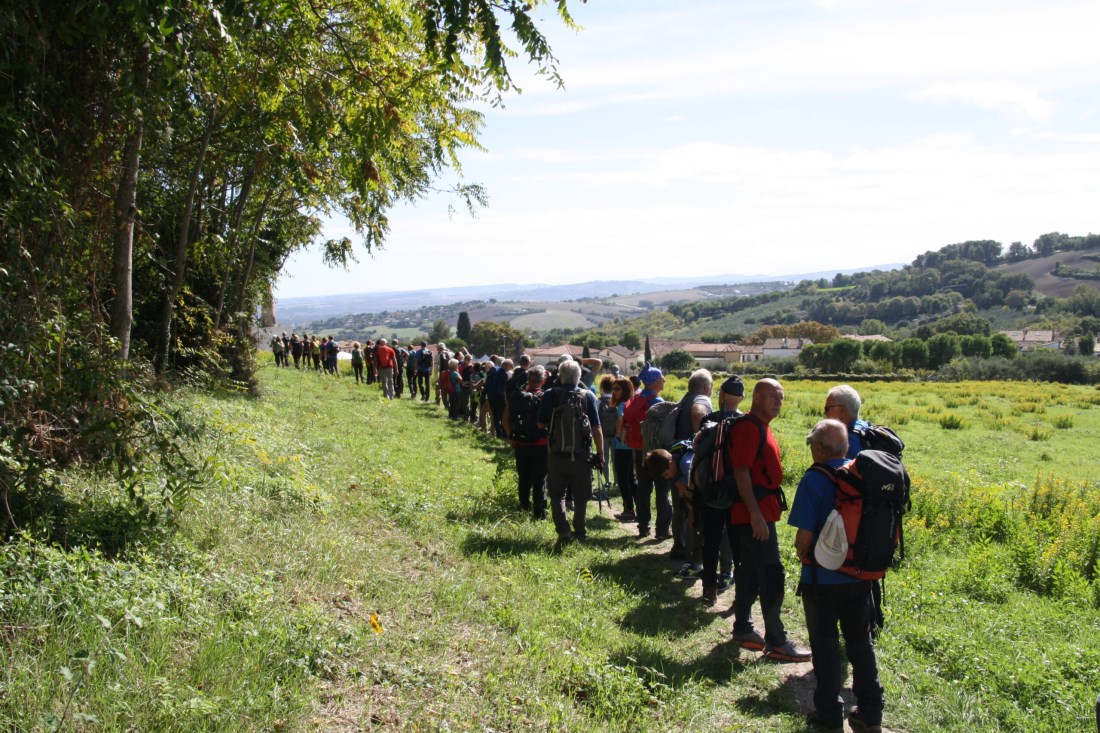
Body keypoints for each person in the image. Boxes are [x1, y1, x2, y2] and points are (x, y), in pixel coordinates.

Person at [790, 419, 884, 733]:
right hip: (860, 576)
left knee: (825, 644)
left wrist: (803, 555)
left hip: (822, 580)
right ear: (844, 447)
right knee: (860, 642)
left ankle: (829, 714)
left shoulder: (814, 478)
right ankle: (871, 713)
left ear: (818, 448)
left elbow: (804, 536)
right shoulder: (862, 475)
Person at [729, 378, 811, 663]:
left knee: (751, 570)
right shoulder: (749, 428)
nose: (778, 401)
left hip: (759, 513)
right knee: (772, 573)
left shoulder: (761, 427)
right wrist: (756, 516)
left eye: (781, 397)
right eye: (773, 396)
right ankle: (777, 641)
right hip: (754, 515)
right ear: (757, 398)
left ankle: (742, 628)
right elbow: (741, 472)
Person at [537, 360, 603, 544]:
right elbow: (597, 428)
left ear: (560, 375)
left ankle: (563, 530)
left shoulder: (550, 394)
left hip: (556, 453)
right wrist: (601, 455)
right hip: (582, 453)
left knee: (557, 494)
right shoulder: (587, 396)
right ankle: (580, 530)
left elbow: (540, 424)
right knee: (581, 496)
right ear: (579, 376)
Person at [698, 375, 744, 605]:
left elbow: (698, 455)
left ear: (722, 395)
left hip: (711, 490)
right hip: (738, 493)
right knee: (738, 545)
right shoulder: (747, 423)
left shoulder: (708, 420)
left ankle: (709, 590)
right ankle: (740, 596)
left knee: (711, 541)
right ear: (742, 398)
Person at [669, 369, 714, 565]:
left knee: (679, 507)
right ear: (705, 387)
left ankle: (679, 546)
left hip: (676, 458)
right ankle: (693, 553)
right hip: (690, 461)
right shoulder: (702, 399)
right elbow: (698, 413)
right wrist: (701, 442)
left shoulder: (684, 399)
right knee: (692, 507)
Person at [621, 364, 671, 540]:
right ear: (654, 382)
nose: (664, 379)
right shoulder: (657, 402)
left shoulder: (637, 398)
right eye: (661, 377)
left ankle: (643, 527)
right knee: (662, 491)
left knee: (643, 490)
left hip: (639, 450)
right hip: (657, 453)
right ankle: (662, 530)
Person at [504, 364, 549, 519]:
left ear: (528, 379)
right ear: (543, 381)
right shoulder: (544, 398)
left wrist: (512, 437)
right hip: (541, 445)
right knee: (539, 480)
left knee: (524, 479)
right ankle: (539, 513)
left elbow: (505, 419)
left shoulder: (517, 396)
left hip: (521, 444)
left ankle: (523, 507)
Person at [610, 376, 638, 523]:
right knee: (630, 479)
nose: (614, 392)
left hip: (623, 446)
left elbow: (621, 422)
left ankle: (629, 510)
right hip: (632, 446)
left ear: (625, 390)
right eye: (613, 389)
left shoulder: (622, 405)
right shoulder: (631, 402)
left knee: (623, 479)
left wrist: (617, 434)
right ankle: (638, 509)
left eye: (617, 389)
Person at [484, 358, 512, 439]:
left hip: (490, 395)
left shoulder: (493, 370)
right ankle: (503, 434)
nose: (510, 368)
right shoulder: (504, 374)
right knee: (502, 415)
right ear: (506, 365)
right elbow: (505, 386)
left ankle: (498, 433)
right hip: (500, 396)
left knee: (495, 415)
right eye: (510, 366)